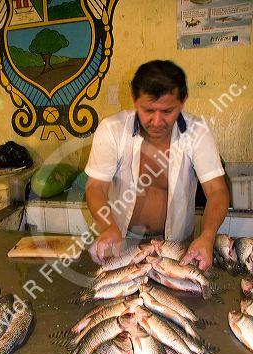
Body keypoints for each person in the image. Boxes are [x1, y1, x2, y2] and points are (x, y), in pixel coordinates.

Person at [85, 60, 229, 270]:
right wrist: (108, 227)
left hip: (176, 244)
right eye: (148, 110)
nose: (157, 121)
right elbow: (96, 188)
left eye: (168, 111)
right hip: (121, 239)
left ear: (182, 101)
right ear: (135, 100)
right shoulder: (111, 130)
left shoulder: (197, 132)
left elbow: (217, 191)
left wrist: (207, 237)